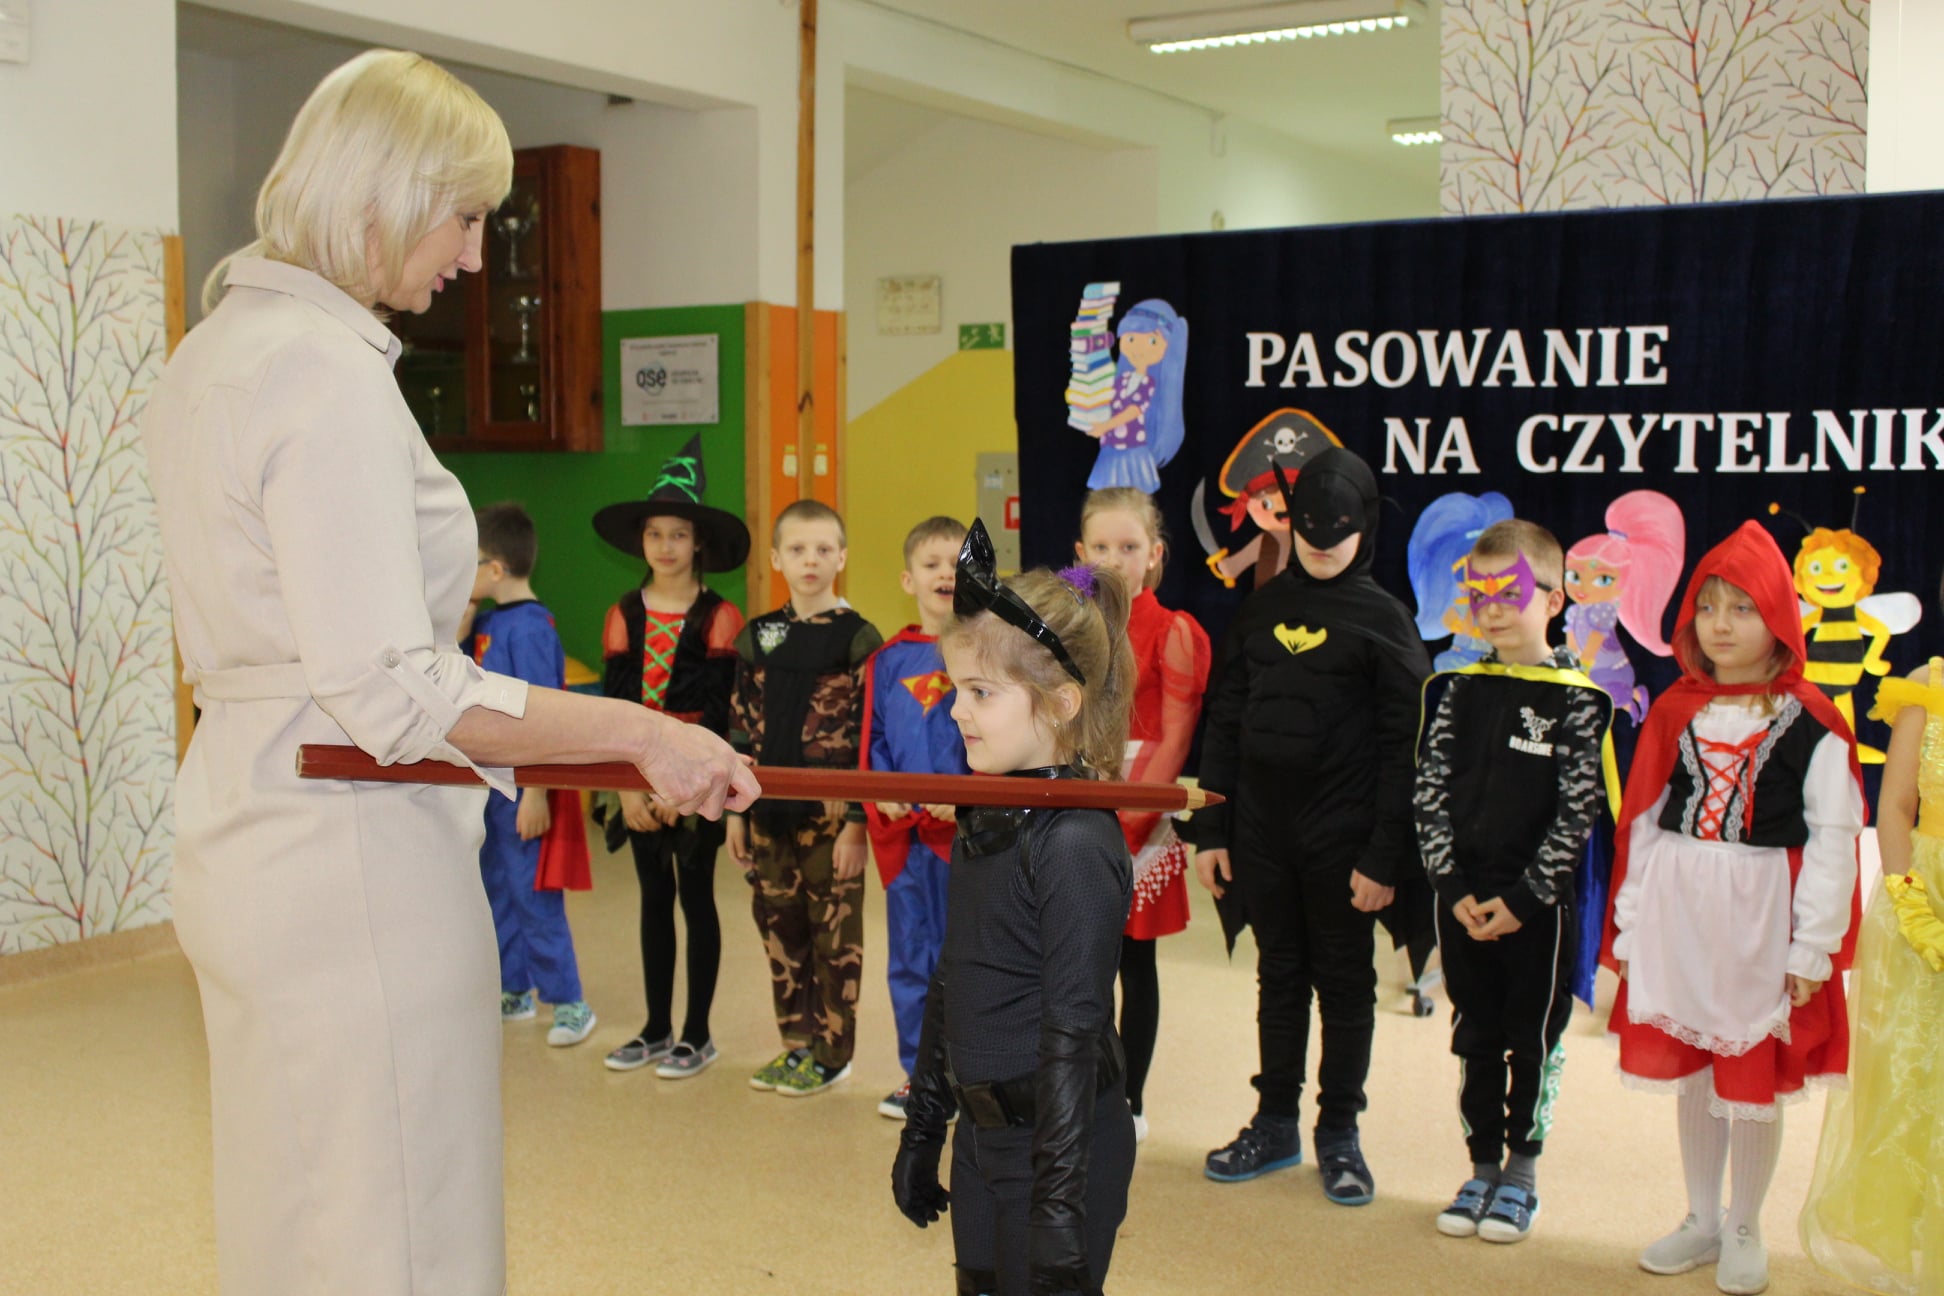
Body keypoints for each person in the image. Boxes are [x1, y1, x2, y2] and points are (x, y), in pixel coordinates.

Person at [142, 49, 755, 1294]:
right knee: (398, 1217)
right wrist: (643, 732)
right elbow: (396, 688)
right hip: (348, 848)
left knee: (295, 1202)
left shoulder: (214, 350)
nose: (475, 259)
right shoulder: (321, 374)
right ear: (382, 192)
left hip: (253, 817)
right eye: (464, 217)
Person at [1603, 520, 1864, 1296]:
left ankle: (1745, 1224)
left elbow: (1834, 836)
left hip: (1760, 916)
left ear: (1779, 616)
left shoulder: (1814, 718)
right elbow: (1644, 822)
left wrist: (1812, 946)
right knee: (1695, 1073)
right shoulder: (1675, 708)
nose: (1721, 624)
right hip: (1681, 911)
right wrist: (1631, 924)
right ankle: (1701, 1217)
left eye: (1743, 608)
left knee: (1749, 1074)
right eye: (1709, 607)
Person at [890, 519, 1138, 1296]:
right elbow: (954, 975)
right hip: (983, 1138)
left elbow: (1073, 1031)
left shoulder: (1074, 844)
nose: (957, 713)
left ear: (1062, 702)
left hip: (1061, 1149)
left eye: (982, 693)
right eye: (956, 690)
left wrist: (1059, 1204)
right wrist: (925, 1126)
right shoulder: (989, 813)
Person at [1193, 446, 1431, 1205]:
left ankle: (1339, 1131)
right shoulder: (1260, 609)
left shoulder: (1385, 622)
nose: (1323, 542)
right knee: (1280, 974)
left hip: (1345, 839)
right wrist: (1212, 829)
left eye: (1340, 528)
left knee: (1345, 981)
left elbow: (1405, 749)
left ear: (1366, 526)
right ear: (1289, 524)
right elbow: (1225, 719)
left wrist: (1384, 856)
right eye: (1309, 526)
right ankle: (1274, 1122)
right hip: (1264, 832)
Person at [1414, 520, 1613, 1244]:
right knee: (1473, 1034)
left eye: (1511, 592)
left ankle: (1521, 1172)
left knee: (1530, 1038)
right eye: (1481, 593)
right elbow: (1429, 793)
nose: (1493, 608)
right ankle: (1480, 1167)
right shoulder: (1454, 690)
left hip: (1536, 910)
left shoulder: (1579, 700)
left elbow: (1577, 812)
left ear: (1554, 600)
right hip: (1463, 901)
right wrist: (1450, 886)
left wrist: (1526, 899)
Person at [591, 436, 751, 1078]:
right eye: (654, 534)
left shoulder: (721, 616)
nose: (665, 546)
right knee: (652, 899)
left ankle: (696, 1034)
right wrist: (630, 788)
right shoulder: (623, 614)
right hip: (635, 780)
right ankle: (656, 1027)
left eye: (678, 534)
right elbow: (614, 708)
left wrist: (678, 788)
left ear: (697, 542)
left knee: (696, 898)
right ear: (641, 542)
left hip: (696, 782)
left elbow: (718, 712)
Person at [1799, 599, 1944, 1295]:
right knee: (1915, 1077)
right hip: (1927, 896)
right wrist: (1911, 902)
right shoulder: (1928, 687)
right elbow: (1896, 805)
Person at [730, 500, 883, 1097]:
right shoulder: (758, 635)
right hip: (767, 813)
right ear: (776, 559)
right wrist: (735, 814)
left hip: (830, 819)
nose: (810, 560)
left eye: (823, 549)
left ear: (842, 557)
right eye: (797, 549)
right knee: (780, 928)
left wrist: (857, 820)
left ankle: (832, 1053)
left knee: (833, 937)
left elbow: (869, 735)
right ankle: (796, 1044)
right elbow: (739, 729)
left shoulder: (858, 637)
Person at [1074, 487, 1210, 1142]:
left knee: (1133, 962)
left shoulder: (1174, 630)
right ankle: (1082, 1088)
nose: (1114, 559)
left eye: (1128, 547)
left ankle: (1128, 1100)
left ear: (1154, 555)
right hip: (1080, 801)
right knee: (1080, 964)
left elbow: (1176, 735)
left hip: (1138, 808)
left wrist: (1125, 821)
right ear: (1081, 554)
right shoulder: (1070, 629)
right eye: (1101, 547)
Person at [463, 502, 596, 1046]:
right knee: (498, 887)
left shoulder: (532, 630)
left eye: (471, 563)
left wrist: (536, 793)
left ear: (495, 569)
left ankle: (568, 1002)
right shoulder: (488, 621)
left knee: (534, 894)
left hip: (525, 788)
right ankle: (513, 987)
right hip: (491, 787)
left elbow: (545, 717)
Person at [863, 516, 970, 1119]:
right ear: (909, 579)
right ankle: (919, 1074)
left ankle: (967, 1074)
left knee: (967, 958)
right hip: (906, 839)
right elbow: (874, 737)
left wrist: (969, 793)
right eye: (932, 564)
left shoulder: (987, 651)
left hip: (966, 840)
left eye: (957, 563)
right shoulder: (888, 660)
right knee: (909, 956)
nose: (946, 574)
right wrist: (883, 791)